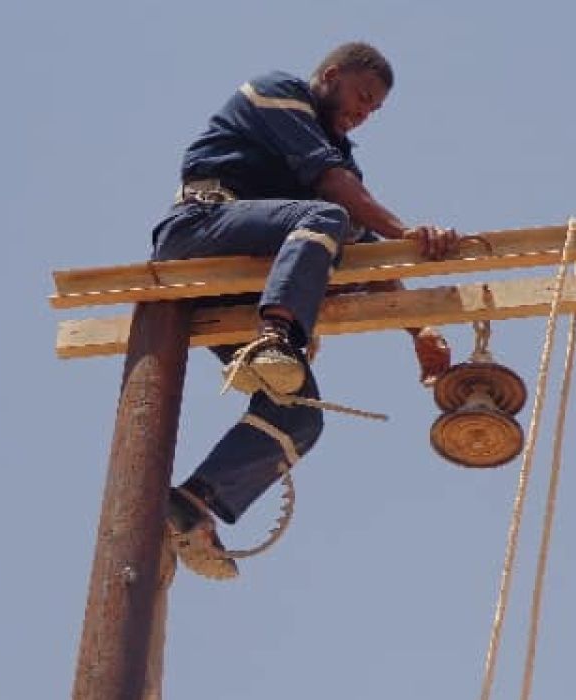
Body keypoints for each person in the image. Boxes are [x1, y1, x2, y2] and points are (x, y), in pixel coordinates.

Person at [150, 42, 459, 580]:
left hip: (240, 284)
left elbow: (364, 250)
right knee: (325, 216)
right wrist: (407, 231)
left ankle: (193, 503)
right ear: (331, 75)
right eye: (362, 96)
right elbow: (338, 198)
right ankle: (275, 337)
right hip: (198, 233)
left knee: (300, 417)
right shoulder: (278, 94)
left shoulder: (338, 154)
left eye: (374, 110)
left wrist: (417, 328)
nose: (364, 113)